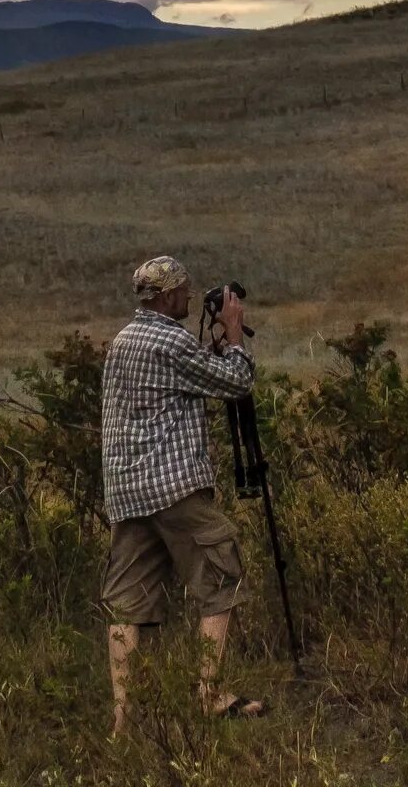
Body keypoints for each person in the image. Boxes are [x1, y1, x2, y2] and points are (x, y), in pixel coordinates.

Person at [102, 253, 264, 731]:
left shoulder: (124, 340)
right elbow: (236, 383)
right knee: (222, 570)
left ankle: (123, 720)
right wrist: (234, 334)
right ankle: (210, 694)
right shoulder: (169, 341)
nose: (190, 297)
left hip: (127, 492)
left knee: (126, 601)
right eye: (184, 291)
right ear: (168, 295)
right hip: (172, 486)